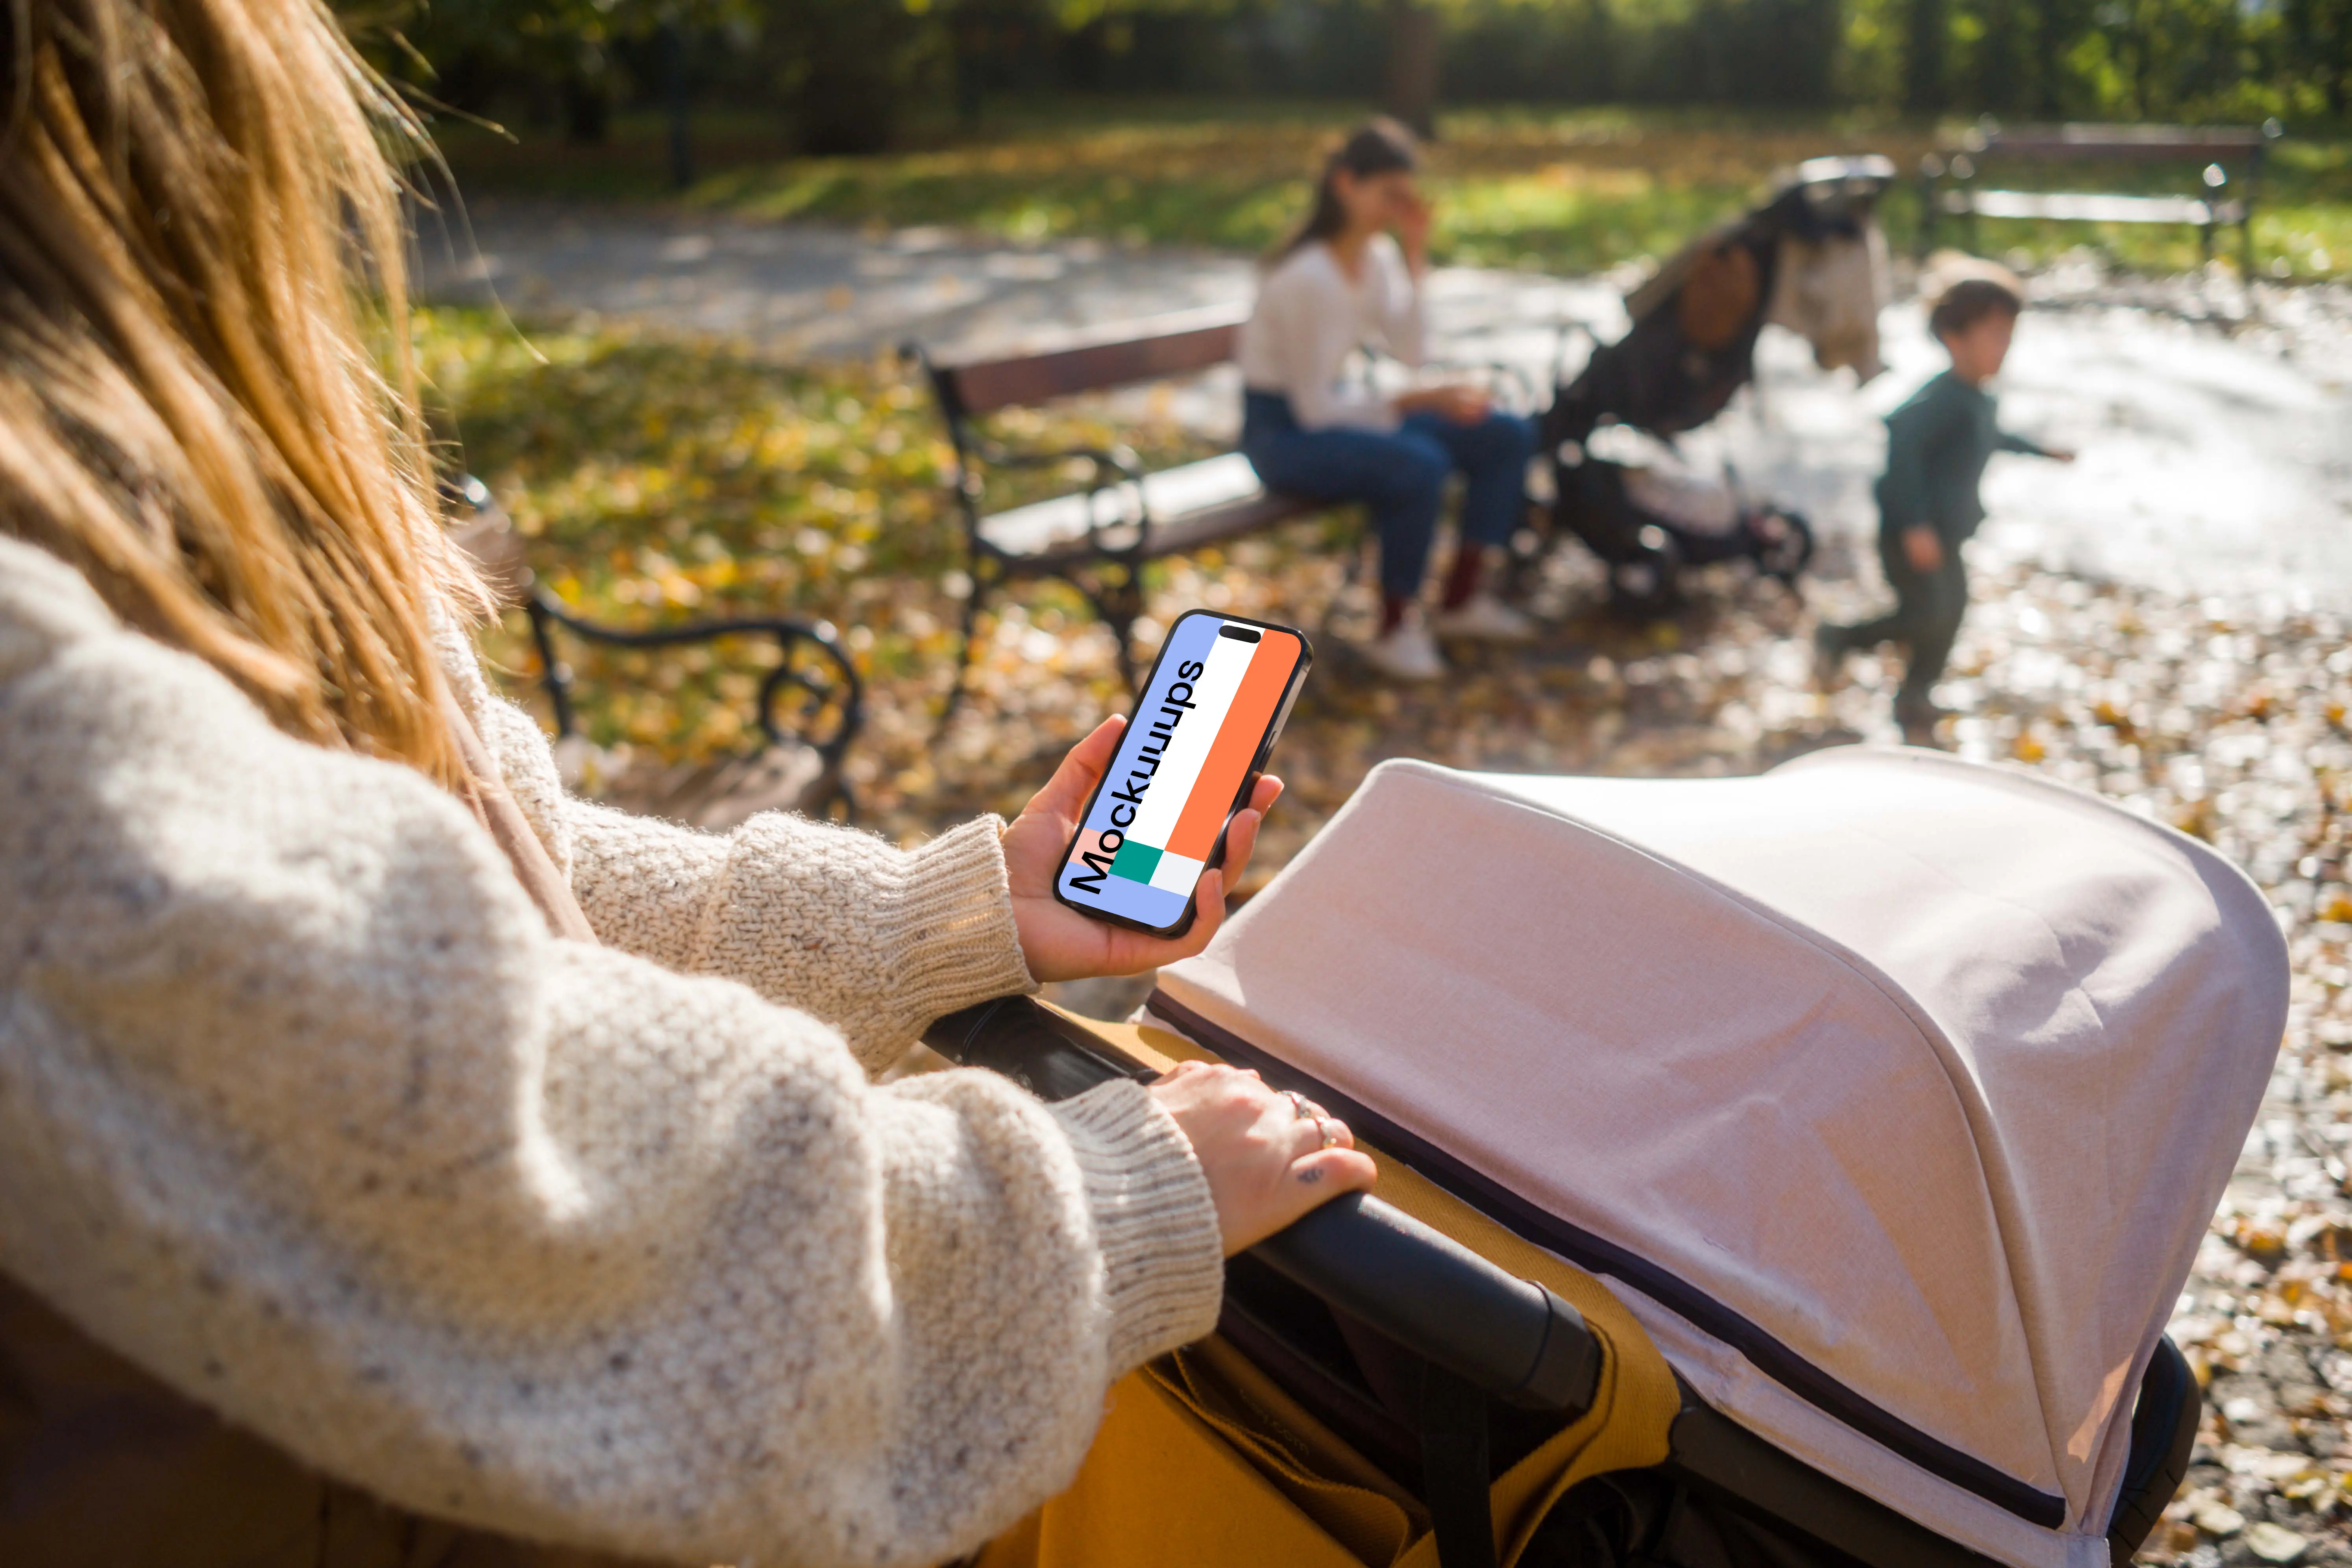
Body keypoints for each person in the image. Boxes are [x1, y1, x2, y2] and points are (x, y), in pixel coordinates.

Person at [0, 1, 1377, 1564]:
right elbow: (514, 1178)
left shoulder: (139, 511)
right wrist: (1092, 1198)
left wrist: (949, 910)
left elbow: (496, 889)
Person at [1237, 118, 1538, 682]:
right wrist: (1416, 402)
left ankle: (1462, 601)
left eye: (1406, 197)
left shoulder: (1375, 259)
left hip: (1338, 410)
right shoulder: (1307, 278)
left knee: (1503, 432)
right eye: (1388, 195)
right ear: (1345, 184)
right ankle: (1396, 627)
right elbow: (1316, 411)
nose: (1396, 209)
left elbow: (1413, 350)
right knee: (1419, 463)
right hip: (1282, 437)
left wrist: (1416, 252)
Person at [1814, 258, 2074, 742]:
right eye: (1995, 335)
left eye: (2009, 335)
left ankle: (1917, 690)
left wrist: (2042, 450)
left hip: (1945, 535)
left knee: (1951, 612)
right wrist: (1914, 525)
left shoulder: (1977, 397)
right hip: (1911, 534)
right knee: (1927, 613)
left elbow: (1989, 436)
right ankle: (1842, 636)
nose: (2005, 347)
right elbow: (1901, 440)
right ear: (1956, 337)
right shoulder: (1943, 398)